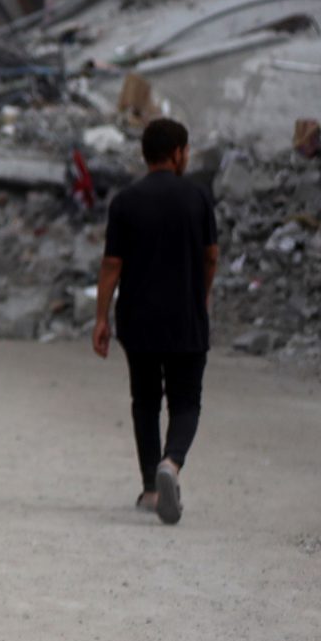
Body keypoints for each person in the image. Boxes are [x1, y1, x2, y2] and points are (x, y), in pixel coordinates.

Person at [93, 117, 218, 525]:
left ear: (145, 154)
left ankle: (150, 488)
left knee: (145, 402)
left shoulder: (125, 201)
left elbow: (112, 264)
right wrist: (202, 294)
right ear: (178, 152)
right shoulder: (197, 197)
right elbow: (211, 256)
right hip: (186, 317)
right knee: (186, 402)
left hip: (138, 319)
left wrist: (101, 319)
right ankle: (172, 464)